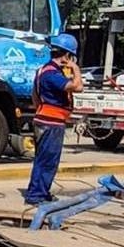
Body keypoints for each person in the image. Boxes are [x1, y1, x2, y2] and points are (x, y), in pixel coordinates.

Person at [24, 34, 84, 205]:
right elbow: (78, 87)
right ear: (66, 55)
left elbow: (35, 97)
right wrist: (76, 69)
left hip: (44, 119)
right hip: (51, 122)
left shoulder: (43, 70)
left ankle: (40, 192)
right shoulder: (52, 74)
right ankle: (36, 195)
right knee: (48, 161)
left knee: (43, 159)